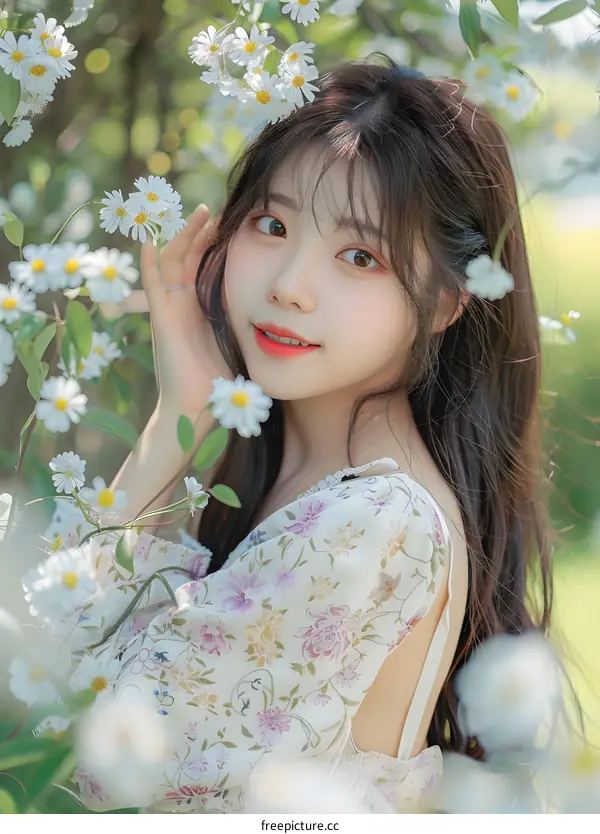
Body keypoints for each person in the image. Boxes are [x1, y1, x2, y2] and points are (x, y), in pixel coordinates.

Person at [44, 55, 557, 813]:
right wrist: (180, 415)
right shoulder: (312, 483)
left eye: (360, 256)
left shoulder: (369, 523)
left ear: (447, 300)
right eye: (272, 223)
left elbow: (63, 749)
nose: (289, 282)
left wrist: (167, 437)